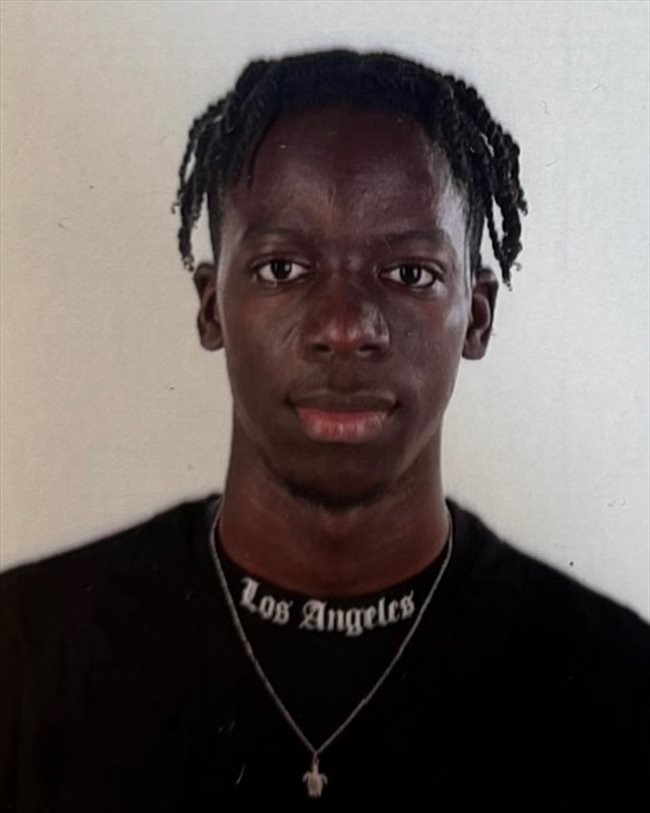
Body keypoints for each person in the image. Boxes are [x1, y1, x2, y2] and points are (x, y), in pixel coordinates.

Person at [1, 49, 648, 813]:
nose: (344, 327)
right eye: (282, 268)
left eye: (409, 273)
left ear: (477, 315)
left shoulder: (616, 683)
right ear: (211, 306)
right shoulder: (27, 652)